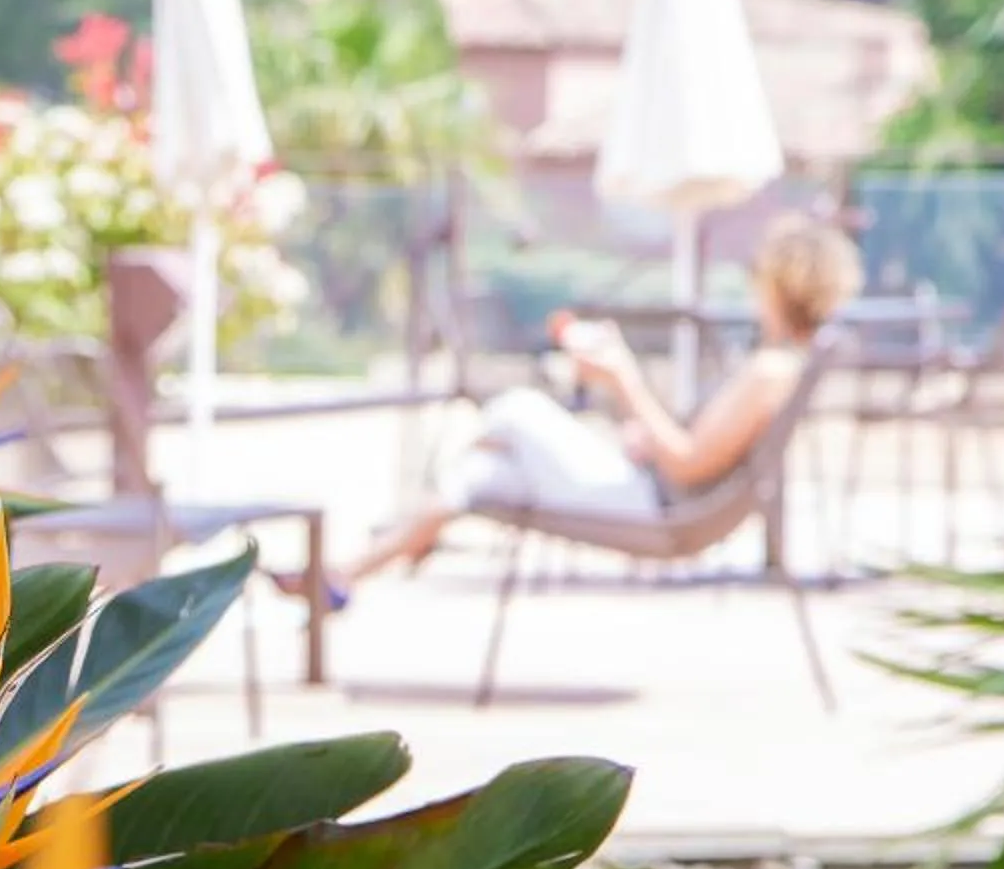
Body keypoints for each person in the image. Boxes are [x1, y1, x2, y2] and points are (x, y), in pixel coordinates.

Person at [324, 214, 864, 589]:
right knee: (480, 476)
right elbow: (691, 457)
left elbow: (689, 461)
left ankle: (397, 538)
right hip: (654, 490)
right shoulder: (776, 367)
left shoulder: (768, 372)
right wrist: (643, 431)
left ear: (779, 284)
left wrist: (621, 377)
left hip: (661, 510)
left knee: (516, 410)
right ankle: (345, 577)